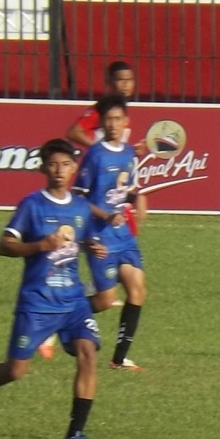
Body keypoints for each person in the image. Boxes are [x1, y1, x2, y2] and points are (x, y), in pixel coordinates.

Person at [0, 139, 108, 439]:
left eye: (65, 164)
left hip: (73, 300)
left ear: (74, 168)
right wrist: (39, 246)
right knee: (15, 371)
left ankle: (75, 431)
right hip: (37, 302)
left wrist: (92, 246)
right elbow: (4, 245)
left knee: (88, 354)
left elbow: (82, 239)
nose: (59, 170)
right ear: (42, 168)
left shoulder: (79, 207)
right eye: (53, 164)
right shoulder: (31, 205)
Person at [74, 93, 149, 371]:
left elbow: (125, 190)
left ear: (126, 121)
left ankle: (119, 358)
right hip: (99, 235)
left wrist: (136, 198)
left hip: (123, 235)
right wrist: (106, 215)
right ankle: (58, 319)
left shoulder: (129, 153)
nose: (113, 124)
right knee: (105, 301)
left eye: (118, 119)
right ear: (102, 124)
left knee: (138, 290)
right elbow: (79, 197)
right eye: (108, 119)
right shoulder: (95, 155)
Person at [67, 60, 137, 150]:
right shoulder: (103, 108)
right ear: (109, 82)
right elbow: (73, 132)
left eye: (129, 80)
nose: (126, 85)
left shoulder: (123, 106)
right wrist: (100, 150)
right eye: (120, 80)